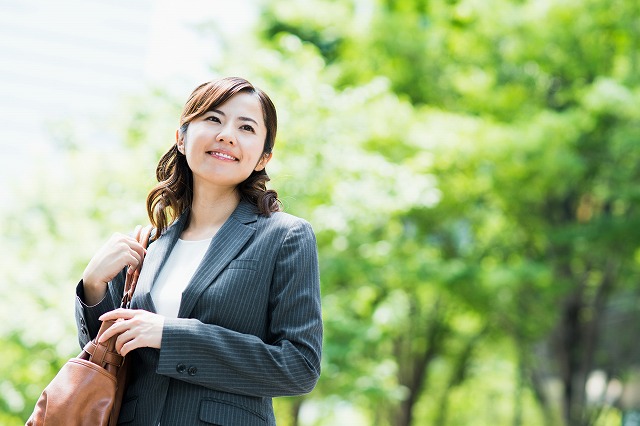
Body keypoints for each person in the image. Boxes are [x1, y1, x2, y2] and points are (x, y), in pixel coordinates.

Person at [75, 77, 323, 425]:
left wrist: (172, 335)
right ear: (181, 137)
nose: (227, 134)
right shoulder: (150, 245)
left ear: (263, 157)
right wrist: (93, 286)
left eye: (246, 127)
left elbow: (300, 367)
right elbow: (103, 356)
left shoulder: (285, 237)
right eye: (213, 119)